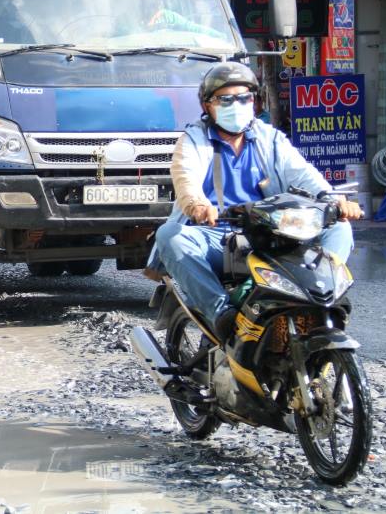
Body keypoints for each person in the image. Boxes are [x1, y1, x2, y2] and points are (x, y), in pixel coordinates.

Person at [151, 63, 362, 339]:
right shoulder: (193, 140)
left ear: (254, 101)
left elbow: (304, 173)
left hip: (271, 232)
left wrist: (333, 199)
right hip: (217, 236)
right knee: (170, 235)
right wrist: (198, 205)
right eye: (225, 100)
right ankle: (221, 314)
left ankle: (323, 298)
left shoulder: (270, 138)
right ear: (207, 106)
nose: (236, 105)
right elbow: (185, 178)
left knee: (339, 228)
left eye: (244, 98)